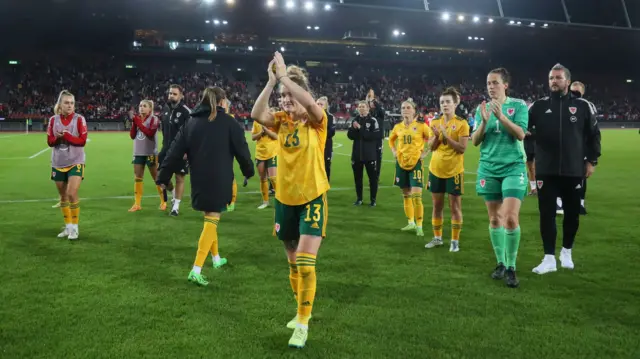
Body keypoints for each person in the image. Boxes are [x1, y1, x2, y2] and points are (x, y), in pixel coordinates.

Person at [251, 52, 329, 349]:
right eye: (282, 96)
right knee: (293, 264)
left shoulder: (316, 120)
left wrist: (285, 77)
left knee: (307, 264)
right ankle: (300, 311)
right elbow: (258, 114)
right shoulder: (281, 121)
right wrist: (272, 82)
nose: (284, 100)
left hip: (312, 196)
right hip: (285, 199)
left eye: (288, 94)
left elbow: (308, 102)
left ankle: (302, 322)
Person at [156, 87, 254, 286]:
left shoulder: (190, 122)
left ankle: (216, 258)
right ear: (221, 102)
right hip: (220, 178)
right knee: (212, 218)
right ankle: (196, 268)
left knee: (210, 217)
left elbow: (173, 151)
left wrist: (163, 175)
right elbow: (242, 150)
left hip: (199, 179)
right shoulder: (229, 122)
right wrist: (248, 171)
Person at [526, 64, 601, 275]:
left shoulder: (583, 106)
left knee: (572, 214)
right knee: (546, 214)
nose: (553, 81)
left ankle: (566, 251)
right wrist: (531, 158)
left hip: (573, 169)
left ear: (567, 81)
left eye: (558, 78)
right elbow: (525, 133)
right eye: (551, 78)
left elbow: (593, 135)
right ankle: (548, 257)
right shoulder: (538, 107)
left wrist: (591, 161)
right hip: (546, 171)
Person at [472, 68, 528, 288]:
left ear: (505, 85)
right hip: (488, 168)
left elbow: (521, 134)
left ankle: (512, 266)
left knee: (511, 218)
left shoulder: (519, 105)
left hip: (513, 167)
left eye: (495, 82)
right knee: (495, 219)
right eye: (488, 83)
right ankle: (501, 263)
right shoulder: (481, 108)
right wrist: (485, 121)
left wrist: (501, 116)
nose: (490, 87)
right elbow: (475, 141)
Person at [425, 88, 469, 252]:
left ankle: (454, 241)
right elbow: (431, 147)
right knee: (437, 206)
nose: (444, 105)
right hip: (436, 168)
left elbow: (462, 149)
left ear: (455, 103)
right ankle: (437, 238)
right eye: (442, 102)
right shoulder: (435, 122)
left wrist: (446, 135)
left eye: (448, 102)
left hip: (454, 171)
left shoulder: (462, 123)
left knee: (455, 207)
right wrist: (437, 136)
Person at [389, 98, 433, 238]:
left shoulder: (421, 126)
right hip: (401, 163)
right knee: (406, 194)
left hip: (416, 164)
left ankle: (419, 226)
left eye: (408, 108)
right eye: (403, 108)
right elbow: (391, 140)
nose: (405, 110)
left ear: (414, 111)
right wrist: (394, 151)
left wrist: (426, 152)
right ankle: (410, 222)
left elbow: (432, 137)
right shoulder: (397, 127)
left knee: (416, 196)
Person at [47, 90, 88, 241]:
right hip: (58, 162)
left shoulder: (79, 119)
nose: (70, 105)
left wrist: (67, 136)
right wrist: (58, 139)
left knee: (71, 193)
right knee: (63, 196)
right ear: (60, 104)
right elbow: (50, 142)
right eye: (66, 102)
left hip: (76, 161)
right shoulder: (53, 120)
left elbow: (82, 140)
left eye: (72, 103)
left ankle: (75, 228)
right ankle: (68, 227)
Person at [554, 81, 591, 215]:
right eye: (572, 91)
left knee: (581, 178)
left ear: (582, 93)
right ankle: (559, 204)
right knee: (560, 176)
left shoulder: (587, 106)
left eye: (577, 92)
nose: (574, 94)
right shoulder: (562, 104)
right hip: (563, 149)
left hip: (581, 150)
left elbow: (592, 132)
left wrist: (592, 158)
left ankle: (580, 204)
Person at [159, 84, 191, 216]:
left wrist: (187, 151)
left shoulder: (185, 111)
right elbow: (164, 129)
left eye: (174, 94)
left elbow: (190, 133)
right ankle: (173, 193)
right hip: (166, 149)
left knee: (179, 178)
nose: (171, 95)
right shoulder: (165, 109)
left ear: (181, 96)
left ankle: (176, 207)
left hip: (180, 151)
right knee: (162, 178)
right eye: (170, 93)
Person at [128, 100, 165, 212]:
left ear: (150, 109)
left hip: (150, 153)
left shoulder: (154, 119)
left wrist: (137, 121)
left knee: (156, 178)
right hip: (138, 152)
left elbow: (149, 133)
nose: (141, 108)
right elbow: (132, 135)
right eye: (140, 106)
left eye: (144, 106)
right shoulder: (138, 119)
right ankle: (137, 203)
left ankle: (164, 201)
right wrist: (135, 123)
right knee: (138, 178)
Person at [347, 100, 382, 207]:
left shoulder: (372, 120)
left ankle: (373, 200)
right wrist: (353, 128)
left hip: (370, 155)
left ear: (367, 108)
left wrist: (360, 128)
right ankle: (359, 199)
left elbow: (373, 136)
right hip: (357, 155)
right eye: (360, 106)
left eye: (363, 106)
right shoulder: (355, 120)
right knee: (358, 179)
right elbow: (350, 136)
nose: (361, 108)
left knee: (373, 179)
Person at [251, 107, 279, 209]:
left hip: (272, 153)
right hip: (260, 153)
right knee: (263, 178)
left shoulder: (275, 122)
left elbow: (277, 137)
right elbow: (253, 137)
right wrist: (261, 133)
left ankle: (280, 201)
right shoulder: (257, 122)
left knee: (273, 178)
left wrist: (266, 131)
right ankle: (265, 201)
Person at [367, 89, 385, 182]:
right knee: (370, 158)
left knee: (378, 158)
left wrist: (373, 99)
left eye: (373, 103)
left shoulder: (380, 112)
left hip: (378, 139)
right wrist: (369, 100)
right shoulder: (369, 113)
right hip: (371, 139)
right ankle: (372, 175)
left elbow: (380, 110)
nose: (372, 104)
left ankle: (376, 176)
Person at [316, 96, 335, 182]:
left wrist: (319, 132)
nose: (319, 106)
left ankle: (325, 185)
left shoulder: (330, 117)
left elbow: (332, 132)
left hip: (326, 146)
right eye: (318, 104)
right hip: (314, 146)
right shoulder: (311, 116)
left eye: (321, 104)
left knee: (326, 165)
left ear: (326, 106)